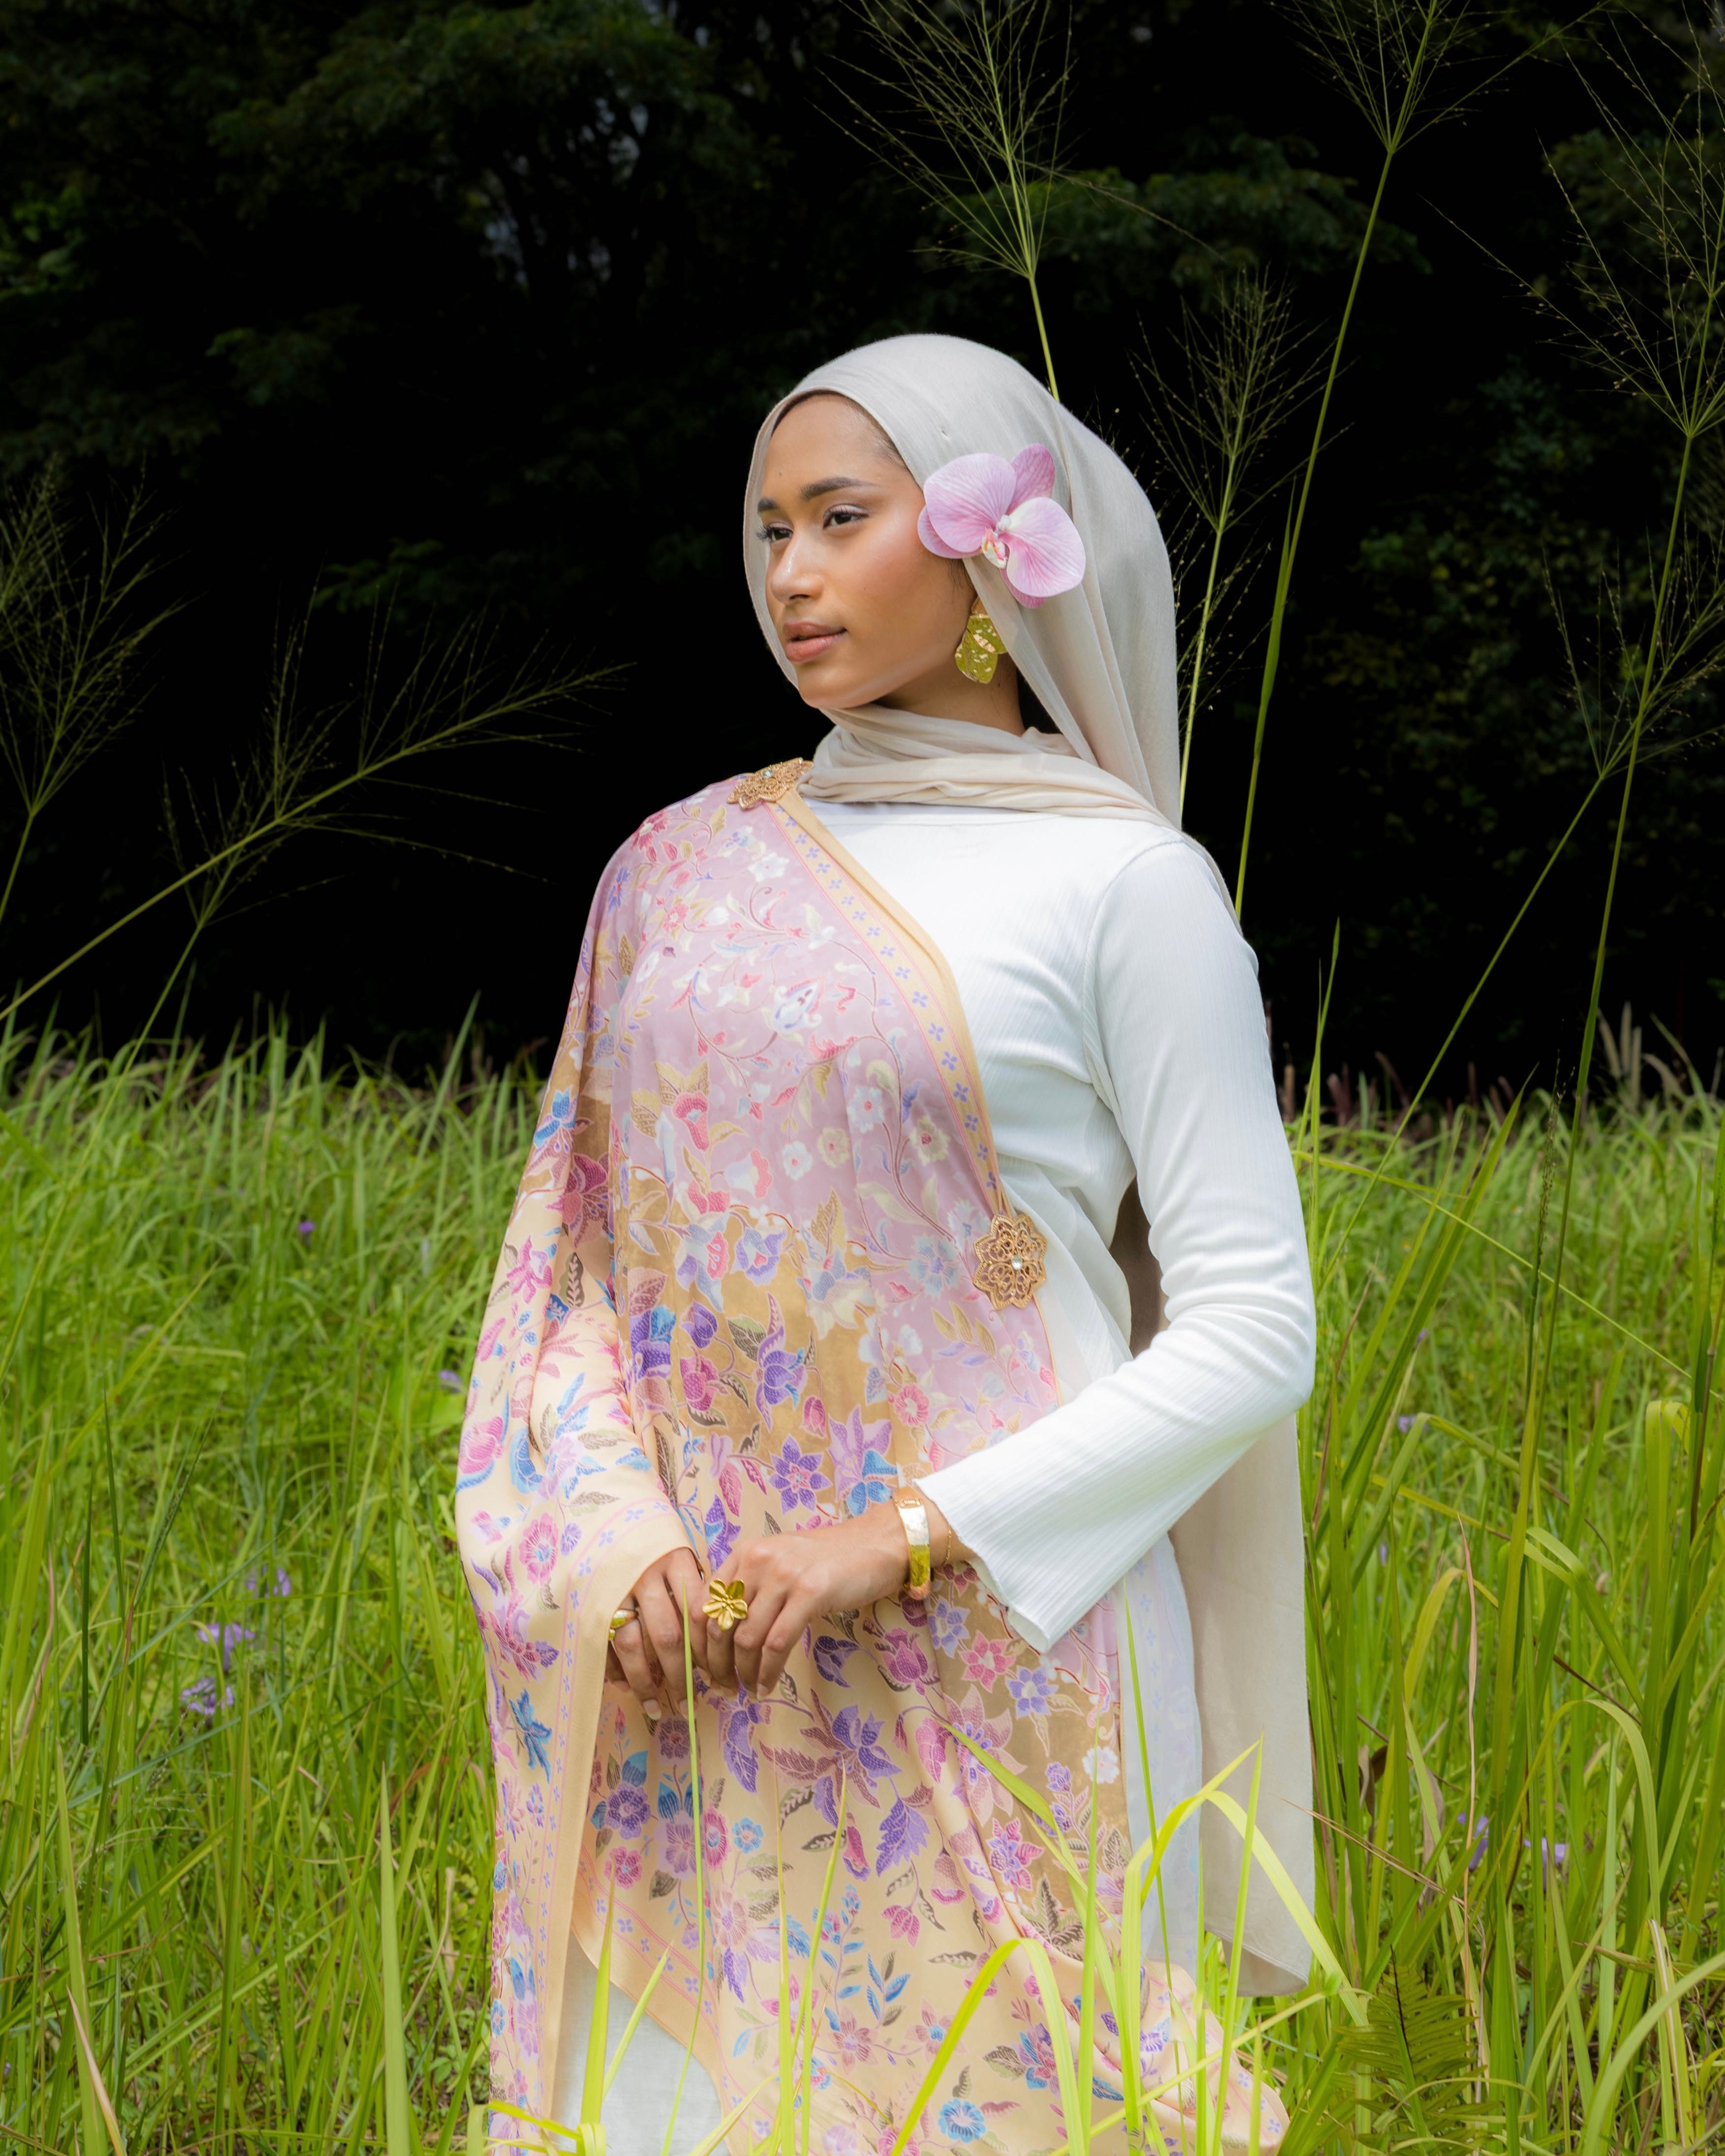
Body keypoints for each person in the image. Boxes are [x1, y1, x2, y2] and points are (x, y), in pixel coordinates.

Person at [455, 333, 1317, 2156]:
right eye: (768, 526)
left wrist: (895, 1537)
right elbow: (579, 1271)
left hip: (1012, 1658)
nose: (789, 573)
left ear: (994, 550)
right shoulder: (673, 870)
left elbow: (1252, 1330)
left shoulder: (1125, 887)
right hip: (699, 1670)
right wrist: (617, 1541)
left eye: (841, 519)